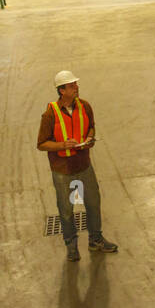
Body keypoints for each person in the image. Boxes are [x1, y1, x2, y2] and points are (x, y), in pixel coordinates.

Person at [36, 70, 118, 262]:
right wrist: (61, 145)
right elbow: (41, 144)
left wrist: (89, 138)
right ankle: (71, 246)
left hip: (84, 166)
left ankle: (95, 240)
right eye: (72, 85)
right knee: (66, 209)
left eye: (75, 84)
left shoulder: (85, 106)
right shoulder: (50, 115)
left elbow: (91, 126)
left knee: (93, 203)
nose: (76, 88)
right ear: (62, 90)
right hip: (63, 171)